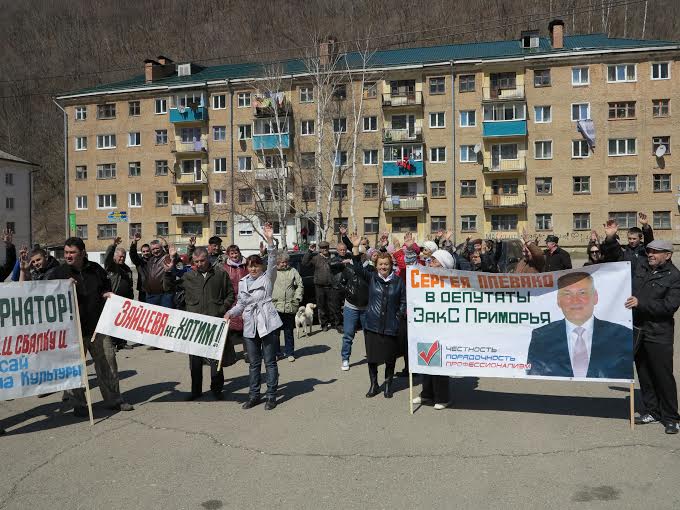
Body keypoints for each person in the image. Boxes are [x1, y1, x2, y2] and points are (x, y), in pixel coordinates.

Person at [46, 237, 133, 416]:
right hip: (73, 330)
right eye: (66, 252)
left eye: (72, 252)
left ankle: (114, 399)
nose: (68, 256)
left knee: (108, 363)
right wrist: (63, 288)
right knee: (75, 368)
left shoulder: (96, 269)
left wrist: (107, 294)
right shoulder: (58, 273)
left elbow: (105, 288)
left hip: (98, 327)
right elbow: (48, 297)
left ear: (83, 252)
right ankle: (78, 403)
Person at [621, 238, 680, 434]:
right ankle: (652, 411)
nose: (651, 254)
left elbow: (669, 307)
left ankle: (671, 418)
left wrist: (641, 304)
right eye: (649, 251)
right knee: (644, 374)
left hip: (659, 332)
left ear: (668, 255)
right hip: (638, 330)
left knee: (662, 376)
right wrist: (611, 239)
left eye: (656, 252)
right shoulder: (641, 267)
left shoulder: (674, 277)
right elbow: (618, 260)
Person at [526, 272, 633, 379]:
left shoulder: (621, 335)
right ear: (558, 300)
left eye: (582, 293)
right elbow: (534, 374)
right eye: (567, 294)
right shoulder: (541, 336)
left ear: (595, 297)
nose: (575, 300)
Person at [165, 246, 235, 401]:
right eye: (196, 261)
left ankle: (217, 389)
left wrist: (221, 309)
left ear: (208, 258)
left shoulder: (220, 274)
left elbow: (230, 294)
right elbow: (168, 287)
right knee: (195, 361)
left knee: (216, 360)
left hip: (214, 322)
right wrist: (168, 272)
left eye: (202, 260)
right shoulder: (189, 276)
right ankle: (196, 391)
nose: (200, 264)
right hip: (195, 325)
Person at [225, 224, 282, 410]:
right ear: (247, 267)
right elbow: (241, 304)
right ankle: (254, 395)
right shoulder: (243, 282)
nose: (253, 269)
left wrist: (270, 240)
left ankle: (271, 396)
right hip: (250, 325)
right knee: (253, 364)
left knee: (270, 362)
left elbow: (273, 259)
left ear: (261, 266)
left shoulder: (268, 277)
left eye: (256, 265)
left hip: (267, 322)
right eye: (250, 266)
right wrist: (230, 313)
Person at [350, 234, 406, 399]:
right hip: (372, 324)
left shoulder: (397, 281)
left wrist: (399, 316)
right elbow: (357, 267)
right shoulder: (372, 277)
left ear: (390, 265)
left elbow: (403, 300)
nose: (383, 267)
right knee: (373, 357)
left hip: (391, 325)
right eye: (381, 264)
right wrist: (355, 248)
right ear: (376, 265)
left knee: (390, 357)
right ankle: (374, 385)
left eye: (386, 264)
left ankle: (388, 384)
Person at [412, 249, 456, 409]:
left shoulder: (451, 282)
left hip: (443, 326)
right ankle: (427, 394)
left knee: (440, 364)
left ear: (443, 265)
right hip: (427, 325)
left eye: (434, 260)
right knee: (426, 360)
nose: (430, 262)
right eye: (430, 260)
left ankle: (443, 397)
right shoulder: (426, 279)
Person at [337, 235, 370, 371]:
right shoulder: (348, 268)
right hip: (351, 307)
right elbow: (340, 283)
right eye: (359, 254)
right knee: (348, 334)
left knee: (369, 334)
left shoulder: (370, 269)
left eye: (363, 254)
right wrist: (348, 292)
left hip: (366, 307)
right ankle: (345, 359)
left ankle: (372, 356)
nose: (361, 256)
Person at [272, 252, 303, 361]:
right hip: (275, 306)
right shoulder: (272, 272)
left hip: (289, 306)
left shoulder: (293, 271)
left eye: (286, 262)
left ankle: (290, 353)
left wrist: (297, 298)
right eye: (282, 262)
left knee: (288, 331)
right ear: (277, 262)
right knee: (275, 333)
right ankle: (276, 353)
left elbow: (300, 285)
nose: (285, 264)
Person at [104, 237, 134, 350]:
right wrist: (113, 246)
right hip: (113, 300)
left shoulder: (127, 269)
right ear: (114, 256)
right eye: (120, 256)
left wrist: (131, 298)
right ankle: (112, 344)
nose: (122, 258)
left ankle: (122, 342)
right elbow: (107, 258)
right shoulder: (111, 267)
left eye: (123, 257)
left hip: (125, 301)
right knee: (112, 323)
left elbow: (130, 284)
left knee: (123, 323)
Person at [131, 236, 174, 308]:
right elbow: (133, 256)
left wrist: (167, 248)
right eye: (153, 249)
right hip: (149, 294)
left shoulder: (166, 257)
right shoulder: (146, 261)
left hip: (164, 294)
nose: (155, 250)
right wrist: (134, 242)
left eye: (157, 248)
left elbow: (174, 258)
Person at [302, 240, 336, 332]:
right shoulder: (316, 258)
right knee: (321, 306)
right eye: (322, 248)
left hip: (331, 286)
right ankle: (324, 324)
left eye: (326, 247)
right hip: (319, 286)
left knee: (332, 305)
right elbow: (304, 263)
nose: (324, 249)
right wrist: (309, 251)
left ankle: (334, 323)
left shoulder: (333, 257)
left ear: (328, 248)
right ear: (320, 249)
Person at [223, 244, 249, 363]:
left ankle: (248, 352)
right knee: (230, 329)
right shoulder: (224, 268)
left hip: (245, 299)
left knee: (247, 328)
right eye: (232, 253)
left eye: (236, 253)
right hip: (231, 300)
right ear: (228, 255)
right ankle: (231, 355)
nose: (234, 255)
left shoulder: (247, 265)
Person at [129, 234, 152, 301]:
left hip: (154, 290)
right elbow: (133, 254)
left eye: (147, 251)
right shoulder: (139, 261)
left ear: (150, 251)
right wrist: (134, 242)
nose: (146, 253)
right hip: (143, 290)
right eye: (144, 251)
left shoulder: (155, 260)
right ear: (141, 252)